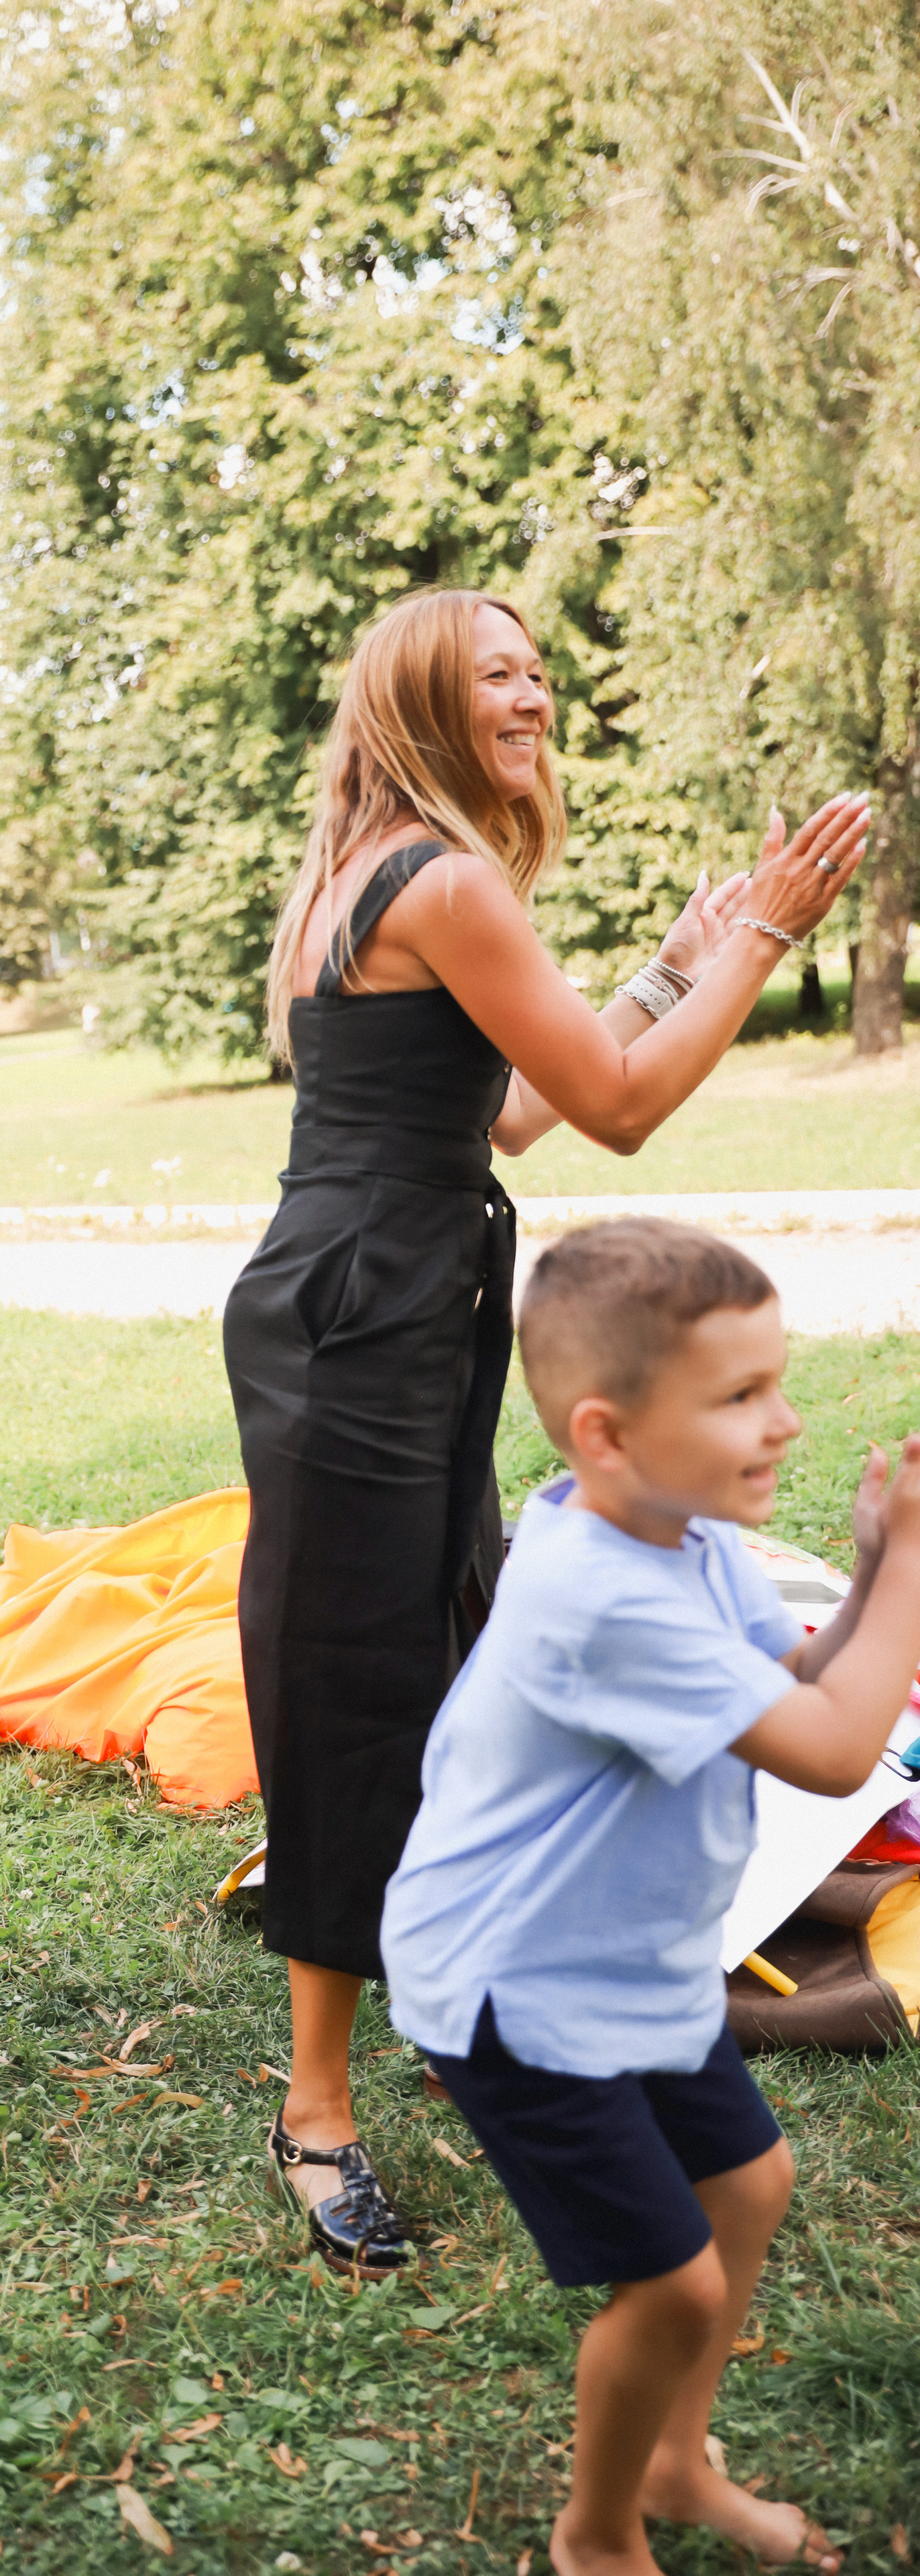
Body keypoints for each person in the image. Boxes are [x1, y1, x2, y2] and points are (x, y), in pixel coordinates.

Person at [222, 585, 870, 2275]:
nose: (532, 693)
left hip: (393, 1292)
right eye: (495, 674)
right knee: (351, 1681)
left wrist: (668, 951)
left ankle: (458, 2001)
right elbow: (621, 1107)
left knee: (438, 1648)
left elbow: (502, 1107)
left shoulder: (386, 871)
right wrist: (760, 938)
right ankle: (313, 2110)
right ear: (428, 703)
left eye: (533, 668)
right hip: (365, 1312)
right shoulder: (436, 880)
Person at [383, 1218, 919, 2576]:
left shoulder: (676, 1537)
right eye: (738, 1397)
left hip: (630, 1960)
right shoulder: (594, 1593)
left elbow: (801, 1678)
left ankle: (677, 2465)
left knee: (746, 2185)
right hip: (515, 1987)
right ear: (603, 1434)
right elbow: (833, 1748)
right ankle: (596, 2534)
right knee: (671, 2279)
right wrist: (913, 1569)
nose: (783, 1423)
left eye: (776, 1384)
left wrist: (865, 1570)